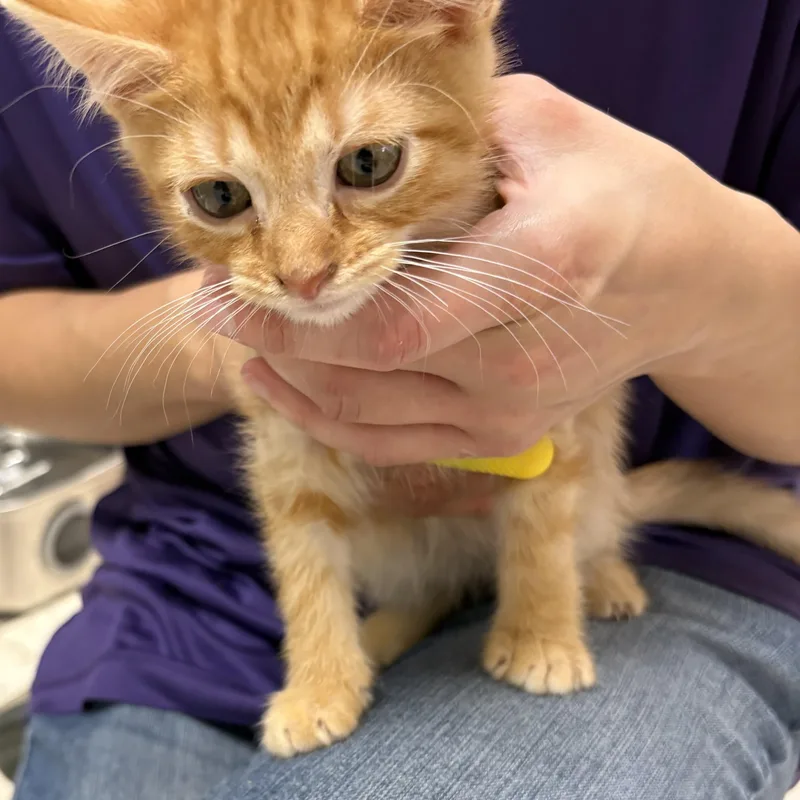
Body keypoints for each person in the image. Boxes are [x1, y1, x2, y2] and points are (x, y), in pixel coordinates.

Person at [2, 2, 800, 799]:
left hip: (689, 571)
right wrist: (222, 350)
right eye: (221, 199)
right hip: (192, 585)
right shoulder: (140, 57)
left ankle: (570, 570)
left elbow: (575, 423)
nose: (300, 269)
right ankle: (418, 609)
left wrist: (704, 283)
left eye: (366, 165)